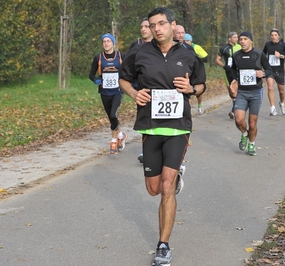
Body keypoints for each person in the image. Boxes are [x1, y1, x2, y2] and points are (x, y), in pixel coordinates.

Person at [119, 7, 206, 265]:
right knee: (153, 189)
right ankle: (175, 174)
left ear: (172, 25)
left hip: (178, 126)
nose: (157, 28)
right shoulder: (139, 53)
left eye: (161, 24)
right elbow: (124, 79)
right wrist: (135, 94)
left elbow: (202, 84)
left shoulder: (187, 54)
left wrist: (192, 88)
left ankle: (163, 245)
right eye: (152, 25)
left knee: (167, 187)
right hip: (151, 126)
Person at [227, 31, 273, 156]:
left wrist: (262, 74)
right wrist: (234, 80)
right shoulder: (236, 55)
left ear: (251, 41)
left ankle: (252, 144)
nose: (242, 41)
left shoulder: (259, 54)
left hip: (255, 93)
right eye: (240, 39)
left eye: (245, 39)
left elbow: (269, 69)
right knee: (238, 120)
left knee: (252, 123)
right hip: (242, 92)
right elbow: (231, 69)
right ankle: (244, 134)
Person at [89, 33, 128, 154]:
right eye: (104, 41)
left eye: (108, 41)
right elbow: (91, 74)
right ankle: (121, 134)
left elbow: (129, 70)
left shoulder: (121, 56)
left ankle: (113, 140)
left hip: (118, 91)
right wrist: (96, 80)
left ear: (113, 43)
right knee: (111, 117)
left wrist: (126, 80)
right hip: (104, 91)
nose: (106, 43)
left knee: (113, 114)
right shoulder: (99, 58)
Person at [129, 17, 154, 163]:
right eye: (141, 27)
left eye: (146, 26)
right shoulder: (135, 46)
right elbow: (128, 69)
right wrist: (133, 89)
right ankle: (145, 150)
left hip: (160, 91)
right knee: (145, 119)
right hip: (142, 90)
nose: (143, 29)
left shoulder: (161, 45)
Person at [262, 28, 285, 116]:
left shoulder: (283, 45)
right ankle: (272, 108)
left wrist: (281, 56)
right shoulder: (267, 45)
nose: (273, 37)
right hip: (269, 70)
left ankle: (282, 103)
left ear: (278, 36)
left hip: (279, 70)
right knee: (270, 87)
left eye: (275, 35)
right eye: (272, 35)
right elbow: (263, 55)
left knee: (281, 91)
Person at [215, 31, 242, 119]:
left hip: (239, 70)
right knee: (232, 92)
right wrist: (224, 66)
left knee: (237, 90)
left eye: (237, 37)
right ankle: (235, 108)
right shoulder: (224, 48)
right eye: (235, 37)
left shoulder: (240, 47)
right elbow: (217, 60)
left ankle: (234, 110)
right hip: (229, 71)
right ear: (229, 39)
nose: (237, 39)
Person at [184, 33, 208, 115]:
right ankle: (188, 107)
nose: (186, 42)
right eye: (184, 41)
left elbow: (206, 58)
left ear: (191, 41)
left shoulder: (196, 47)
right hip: (187, 71)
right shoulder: (181, 47)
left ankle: (200, 105)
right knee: (187, 89)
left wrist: (196, 58)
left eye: (187, 40)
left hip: (197, 71)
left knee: (198, 90)